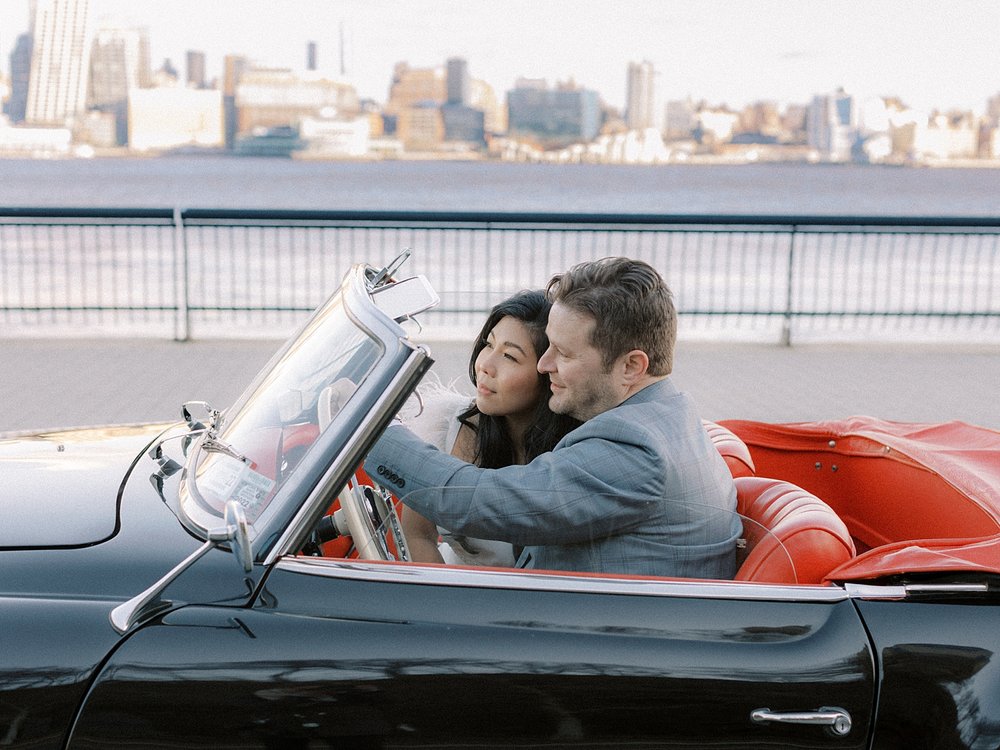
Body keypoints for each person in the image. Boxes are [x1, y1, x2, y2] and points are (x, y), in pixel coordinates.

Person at [365, 257, 741, 579]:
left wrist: (370, 426)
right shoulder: (669, 417)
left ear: (631, 366)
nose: (545, 366)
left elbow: (474, 503)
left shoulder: (635, 450)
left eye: (563, 353)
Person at [402, 290, 581, 565]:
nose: (485, 365)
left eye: (509, 356)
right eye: (488, 344)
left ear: (547, 371)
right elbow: (416, 533)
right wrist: (442, 601)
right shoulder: (446, 426)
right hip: (451, 594)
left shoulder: (577, 449)